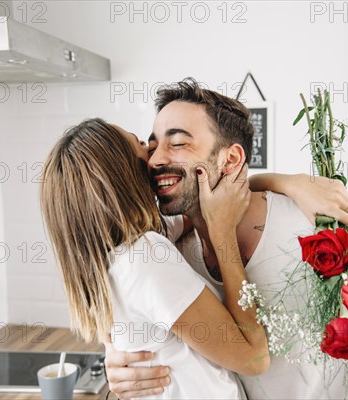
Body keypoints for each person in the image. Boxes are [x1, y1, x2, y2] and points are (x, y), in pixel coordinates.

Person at [104, 79, 348, 400]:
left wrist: (288, 184)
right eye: (152, 147)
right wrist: (116, 359)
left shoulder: (318, 230)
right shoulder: (170, 258)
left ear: (231, 159)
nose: (155, 160)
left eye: (178, 143)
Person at [40, 118, 270, 399]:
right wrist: (223, 237)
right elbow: (254, 359)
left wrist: (283, 183)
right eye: (141, 144)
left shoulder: (117, 252)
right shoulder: (145, 255)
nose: (154, 155)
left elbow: (204, 206)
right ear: (123, 173)